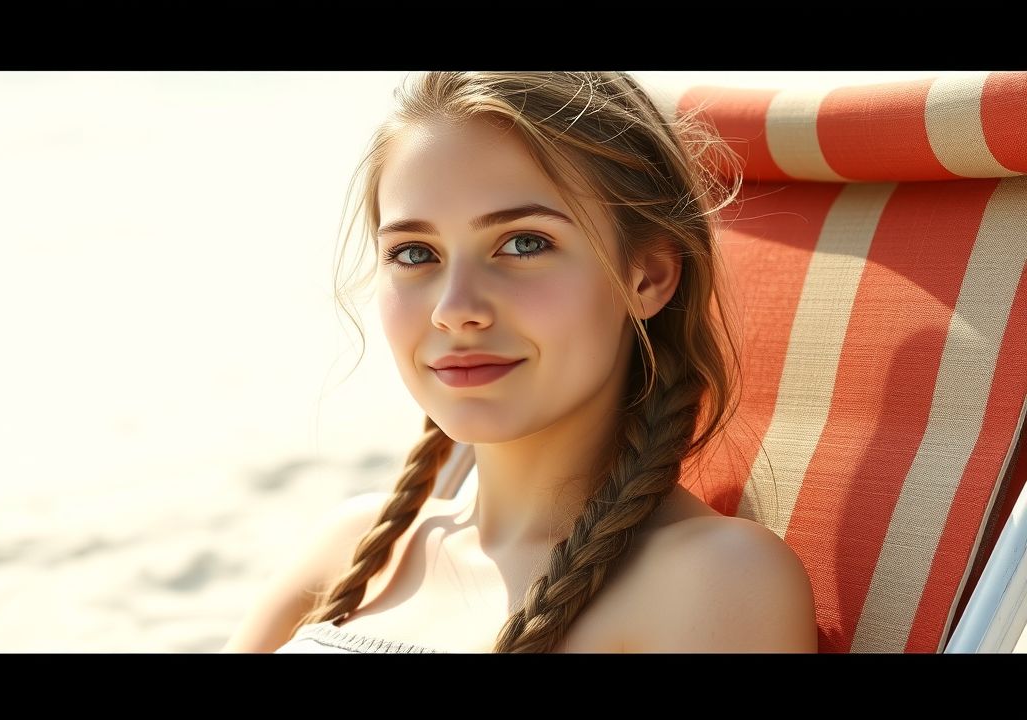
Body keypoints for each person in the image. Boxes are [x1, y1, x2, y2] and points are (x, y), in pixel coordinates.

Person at [221, 71, 818, 653]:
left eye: (524, 243)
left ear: (649, 275)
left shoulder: (713, 580)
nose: (454, 311)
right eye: (414, 252)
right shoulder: (356, 542)